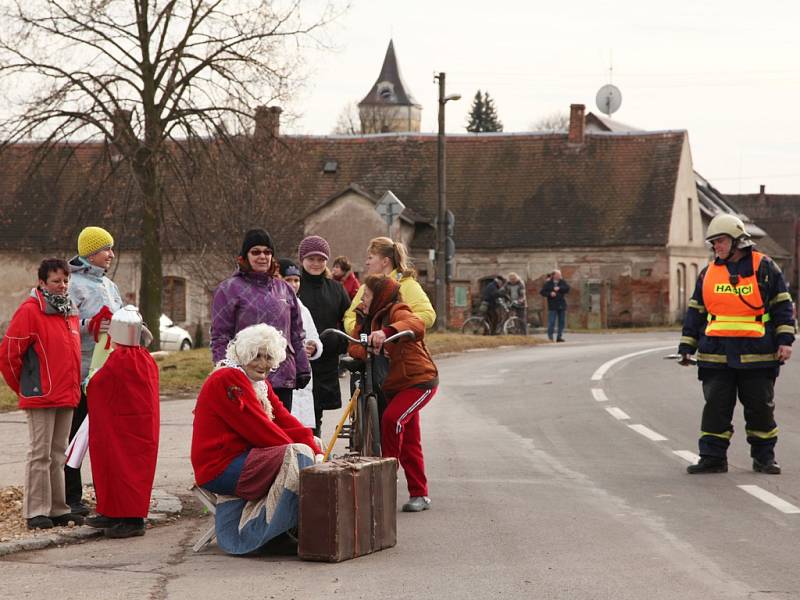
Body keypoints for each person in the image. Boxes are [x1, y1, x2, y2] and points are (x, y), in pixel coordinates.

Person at [678, 214, 795, 475]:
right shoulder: (709, 273)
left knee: (760, 412)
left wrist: (785, 341)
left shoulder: (765, 268)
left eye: (720, 241)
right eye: (714, 243)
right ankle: (712, 458)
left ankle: (764, 458)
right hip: (716, 356)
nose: (716, 247)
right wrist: (686, 346)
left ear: (737, 241)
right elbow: (696, 311)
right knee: (715, 410)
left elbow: (782, 306)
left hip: (758, 356)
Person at [191, 324, 320, 555]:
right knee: (296, 455)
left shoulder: (259, 383)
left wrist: (313, 444)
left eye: (268, 357)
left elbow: (284, 420)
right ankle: (271, 534)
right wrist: (305, 451)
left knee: (305, 449)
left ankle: (287, 526)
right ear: (243, 354)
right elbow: (261, 431)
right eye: (257, 356)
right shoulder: (228, 378)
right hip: (219, 468)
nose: (263, 364)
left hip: (242, 459)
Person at [0, 258, 83, 529]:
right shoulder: (29, 312)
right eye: (56, 281)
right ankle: (36, 510)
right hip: (42, 396)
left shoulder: (70, 311)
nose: (62, 286)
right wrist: (27, 387)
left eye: (65, 280)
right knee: (40, 453)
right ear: (42, 282)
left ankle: (58, 509)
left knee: (59, 453)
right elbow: (9, 355)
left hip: (66, 394)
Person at [348, 275, 438, 513]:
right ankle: (420, 494)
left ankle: (386, 478)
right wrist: (365, 348)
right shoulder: (365, 318)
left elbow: (416, 324)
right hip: (394, 385)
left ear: (379, 297)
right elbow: (354, 344)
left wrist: (387, 332)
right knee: (409, 439)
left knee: (392, 420)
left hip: (419, 382)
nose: (362, 299)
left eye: (366, 295)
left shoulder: (397, 309)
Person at [211, 229, 310, 412]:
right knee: (253, 436)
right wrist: (224, 371)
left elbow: (296, 333)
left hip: (282, 375)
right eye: (256, 252)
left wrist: (303, 366)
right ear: (244, 256)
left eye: (267, 252)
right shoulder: (228, 290)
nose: (262, 256)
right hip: (246, 378)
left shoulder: (284, 289)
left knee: (280, 434)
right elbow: (220, 336)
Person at [85, 306, 159, 538]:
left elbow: (97, 386)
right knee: (119, 469)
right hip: (134, 427)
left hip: (124, 428)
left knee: (121, 469)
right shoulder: (145, 358)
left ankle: (131, 520)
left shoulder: (120, 359)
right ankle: (114, 512)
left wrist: (89, 380)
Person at [66, 226, 123, 515]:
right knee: (75, 436)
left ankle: (108, 496)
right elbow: (65, 326)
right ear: (90, 252)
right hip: (81, 373)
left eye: (111, 248)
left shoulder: (109, 286)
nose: (111, 254)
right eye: (106, 249)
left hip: (108, 373)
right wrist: (90, 326)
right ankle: (71, 497)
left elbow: (121, 317)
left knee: (105, 439)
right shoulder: (72, 284)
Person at [296, 236, 351, 436]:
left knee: (316, 413)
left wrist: (338, 342)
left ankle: (314, 453)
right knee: (293, 411)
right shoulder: (294, 286)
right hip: (297, 360)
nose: (316, 263)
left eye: (321, 259)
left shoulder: (336, 289)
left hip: (326, 360)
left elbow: (348, 321)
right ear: (302, 259)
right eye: (311, 258)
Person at [344, 237, 436, 336]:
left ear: (385, 261)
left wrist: (391, 329)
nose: (367, 262)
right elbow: (349, 317)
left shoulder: (407, 285)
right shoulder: (365, 288)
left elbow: (428, 316)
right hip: (368, 348)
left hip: (398, 348)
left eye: (370, 258)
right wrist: (362, 331)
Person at [278, 258, 323, 431]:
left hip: (301, 377)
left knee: (301, 430)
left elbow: (314, 337)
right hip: (282, 374)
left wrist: (314, 347)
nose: (293, 284)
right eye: (288, 280)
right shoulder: (272, 305)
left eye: (296, 280)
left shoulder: (303, 310)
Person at [540, 269, 570, 342]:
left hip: (561, 304)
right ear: (554, 275)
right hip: (552, 305)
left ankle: (559, 337)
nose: (560, 276)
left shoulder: (562, 282)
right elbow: (542, 292)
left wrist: (560, 288)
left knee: (561, 322)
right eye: (558, 275)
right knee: (551, 322)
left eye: (560, 275)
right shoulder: (548, 283)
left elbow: (567, 289)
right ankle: (550, 337)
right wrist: (550, 294)